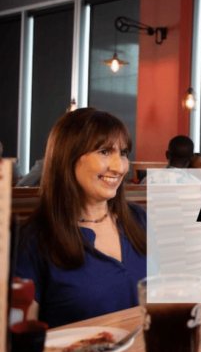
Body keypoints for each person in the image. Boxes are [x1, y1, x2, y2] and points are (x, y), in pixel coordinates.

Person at [14, 108, 147, 329]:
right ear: (68, 158)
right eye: (104, 152)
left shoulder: (139, 220)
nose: (119, 167)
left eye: (123, 153)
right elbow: (22, 346)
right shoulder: (33, 241)